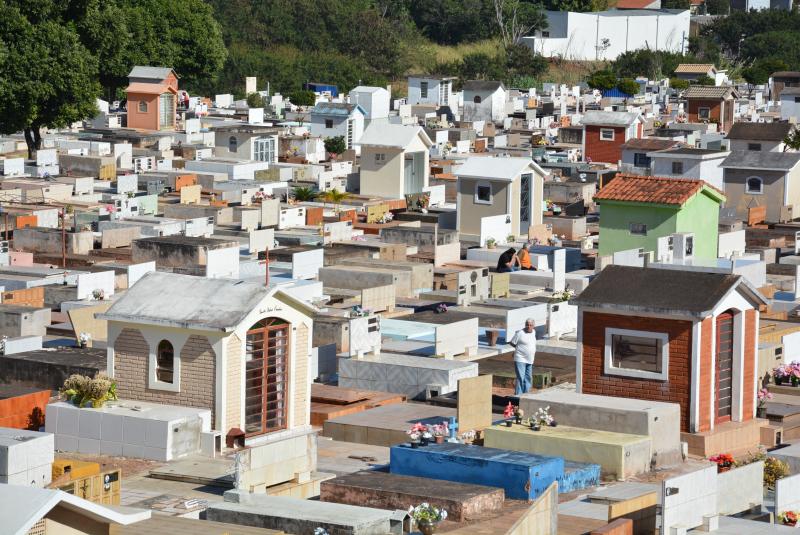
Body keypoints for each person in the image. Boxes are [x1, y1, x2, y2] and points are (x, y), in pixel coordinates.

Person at [510, 318, 537, 395]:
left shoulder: (534, 332)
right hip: (520, 358)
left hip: (530, 359)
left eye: (530, 325)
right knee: (520, 377)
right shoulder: (520, 333)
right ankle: (518, 394)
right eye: (527, 325)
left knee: (528, 377)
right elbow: (512, 342)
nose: (528, 326)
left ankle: (526, 393)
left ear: (533, 326)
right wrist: (518, 349)